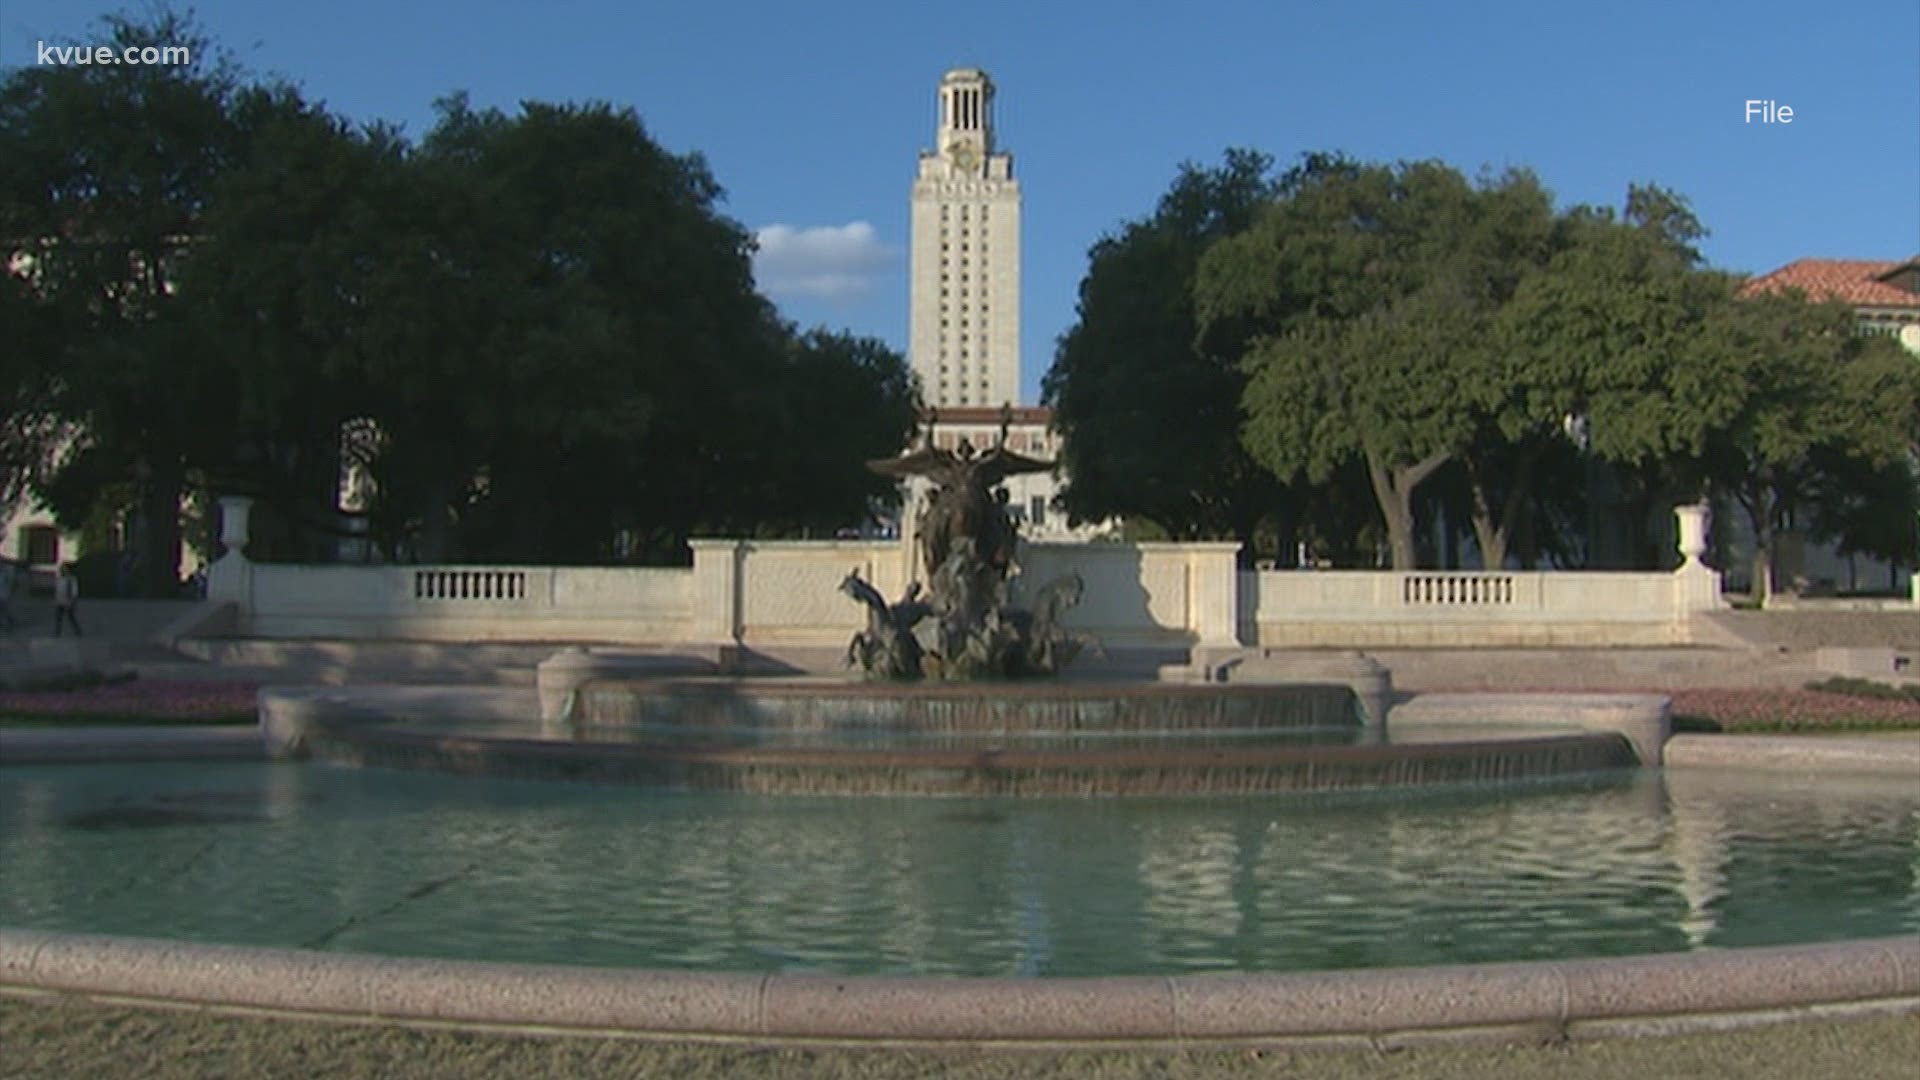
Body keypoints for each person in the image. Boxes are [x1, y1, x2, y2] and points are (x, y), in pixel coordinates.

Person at [53, 562, 82, 637]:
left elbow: (74, 592)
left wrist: (72, 602)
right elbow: (58, 589)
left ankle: (77, 631)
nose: (63, 570)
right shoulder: (60, 578)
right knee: (59, 617)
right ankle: (57, 632)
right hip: (60, 601)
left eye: (65, 569)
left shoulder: (71, 579)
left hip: (68, 602)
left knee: (71, 618)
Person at [0, 561, 15, 633]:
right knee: (4, 611)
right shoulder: (7, 569)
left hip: (3, 594)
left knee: (4, 610)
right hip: (4, 594)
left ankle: (7, 625)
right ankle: (8, 623)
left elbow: (10, 582)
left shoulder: (7, 569)